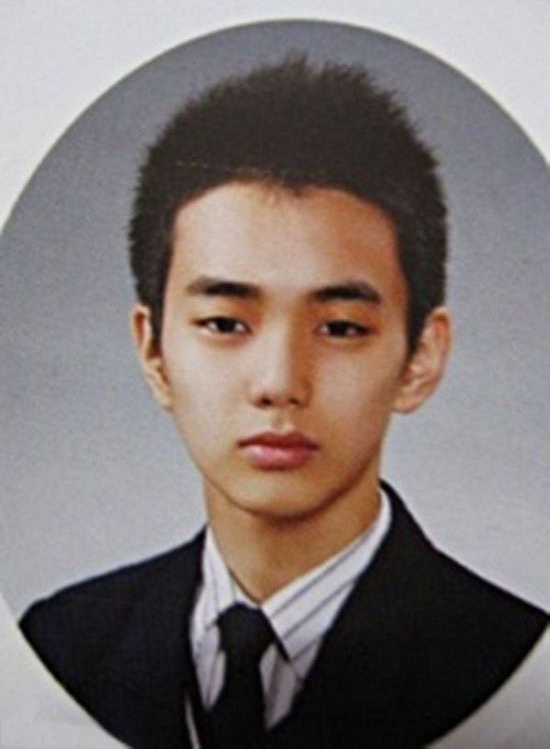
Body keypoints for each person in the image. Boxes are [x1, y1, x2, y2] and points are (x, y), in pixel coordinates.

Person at [20, 57, 548, 749]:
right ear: (153, 351)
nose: (278, 382)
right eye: (224, 323)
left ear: (420, 357)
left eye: (341, 328)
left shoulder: (521, 673)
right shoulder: (58, 647)